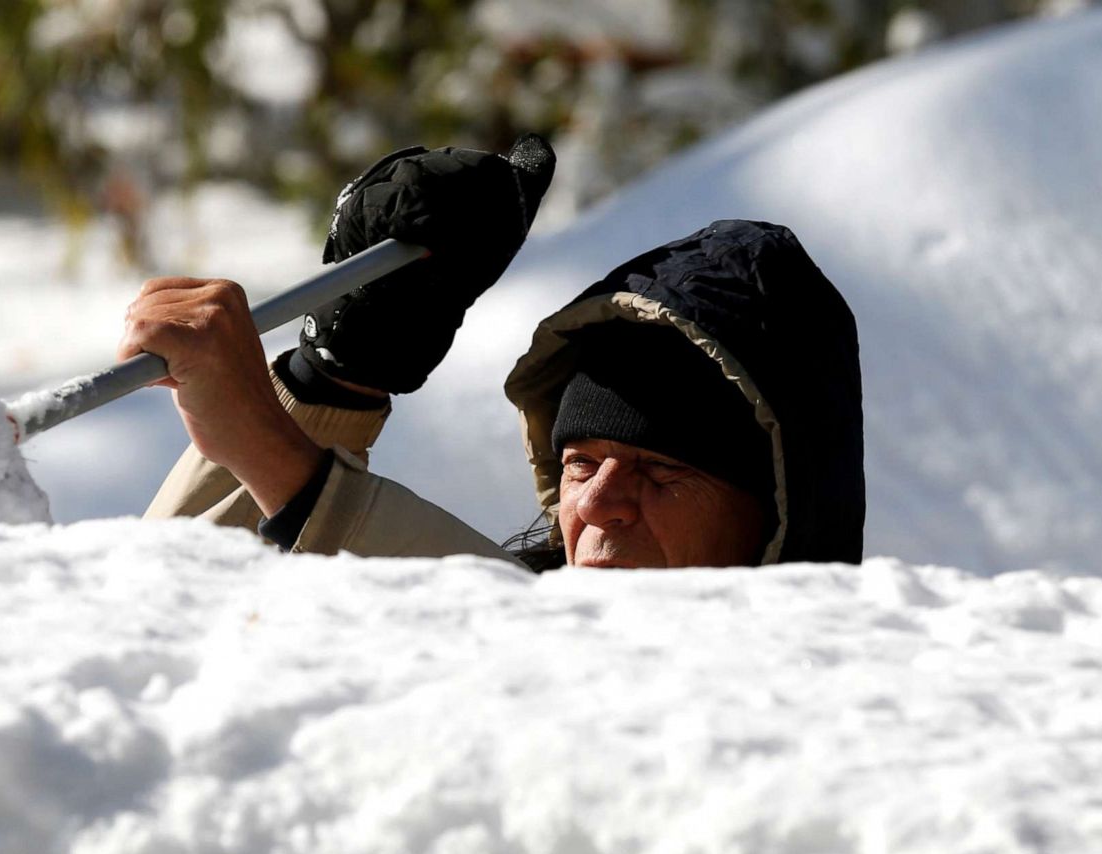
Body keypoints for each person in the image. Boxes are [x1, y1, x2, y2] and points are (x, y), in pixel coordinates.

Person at [128, 139, 864, 571]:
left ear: (774, 509)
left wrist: (268, 451)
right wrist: (333, 379)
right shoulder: (524, 615)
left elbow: (553, 674)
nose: (597, 503)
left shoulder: (839, 704)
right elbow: (167, 628)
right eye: (578, 462)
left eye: (662, 469)